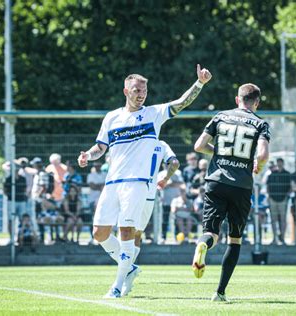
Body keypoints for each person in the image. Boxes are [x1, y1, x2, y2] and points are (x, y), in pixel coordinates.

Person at [77, 64, 212, 298]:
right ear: (126, 91)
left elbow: (181, 103)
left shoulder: (153, 113)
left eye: (144, 91)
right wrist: (88, 155)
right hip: (112, 183)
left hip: (137, 183)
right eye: (137, 90)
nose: (141, 94)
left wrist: (199, 83)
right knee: (99, 233)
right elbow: (101, 147)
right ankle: (129, 268)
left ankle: (118, 285)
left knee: (127, 231)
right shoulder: (112, 117)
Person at [191, 83, 270, 302]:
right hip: (241, 186)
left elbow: (199, 146)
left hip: (216, 181)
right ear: (256, 102)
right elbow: (262, 155)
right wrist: (257, 166)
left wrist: (218, 152)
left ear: (238, 99)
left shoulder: (220, 116)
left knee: (211, 232)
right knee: (234, 240)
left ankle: (203, 244)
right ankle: (220, 292)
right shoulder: (261, 124)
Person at [132, 140, 179, 280]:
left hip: (132, 189)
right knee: (137, 233)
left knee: (124, 230)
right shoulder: (162, 144)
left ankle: (127, 268)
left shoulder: (136, 140)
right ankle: (130, 266)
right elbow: (175, 163)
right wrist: (165, 179)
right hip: (149, 193)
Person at [266, 158, 291, 245]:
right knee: (274, 219)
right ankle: (274, 238)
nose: (279, 164)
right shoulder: (272, 174)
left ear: (283, 163)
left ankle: (283, 238)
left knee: (283, 219)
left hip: (283, 199)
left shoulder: (287, 174)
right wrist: (269, 196)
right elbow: (268, 186)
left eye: (281, 162)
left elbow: (290, 187)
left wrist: (287, 196)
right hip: (273, 199)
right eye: (278, 162)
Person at [4, 167, 28, 244]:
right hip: (12, 201)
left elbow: (25, 189)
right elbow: (5, 190)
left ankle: (20, 237)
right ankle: (11, 238)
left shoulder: (22, 179)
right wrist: (9, 196)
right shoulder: (8, 179)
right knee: (11, 219)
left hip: (21, 201)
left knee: (22, 219)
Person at [86, 161, 107, 244]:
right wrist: (101, 186)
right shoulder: (90, 175)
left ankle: (103, 237)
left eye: (98, 165)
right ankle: (93, 237)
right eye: (95, 165)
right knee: (93, 219)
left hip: (104, 200)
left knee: (104, 219)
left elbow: (106, 186)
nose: (97, 166)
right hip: (92, 200)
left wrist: (98, 186)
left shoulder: (105, 174)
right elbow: (92, 186)